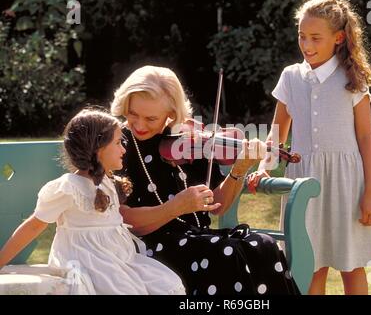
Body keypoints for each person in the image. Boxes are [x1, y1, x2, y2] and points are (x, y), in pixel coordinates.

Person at [111, 65, 300, 295]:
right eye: (133, 114)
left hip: (198, 238)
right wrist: (175, 207)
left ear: (171, 113)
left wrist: (239, 168)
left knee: (263, 246)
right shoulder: (118, 146)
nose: (139, 125)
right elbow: (122, 219)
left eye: (151, 118)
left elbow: (218, 204)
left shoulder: (190, 141)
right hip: (151, 247)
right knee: (224, 253)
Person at [247, 0, 371, 295]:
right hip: (302, 183)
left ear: (338, 38)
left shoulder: (353, 78)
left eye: (315, 38)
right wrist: (264, 167)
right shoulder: (290, 77)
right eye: (302, 37)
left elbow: (365, 138)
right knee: (310, 264)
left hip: (347, 185)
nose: (307, 45)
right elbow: (277, 131)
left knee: (352, 264)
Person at [0, 108, 185, 295]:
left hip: (117, 261)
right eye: (118, 142)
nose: (123, 149)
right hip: (88, 263)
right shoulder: (69, 188)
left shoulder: (107, 182)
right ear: (98, 148)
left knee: (165, 282)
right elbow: (34, 225)